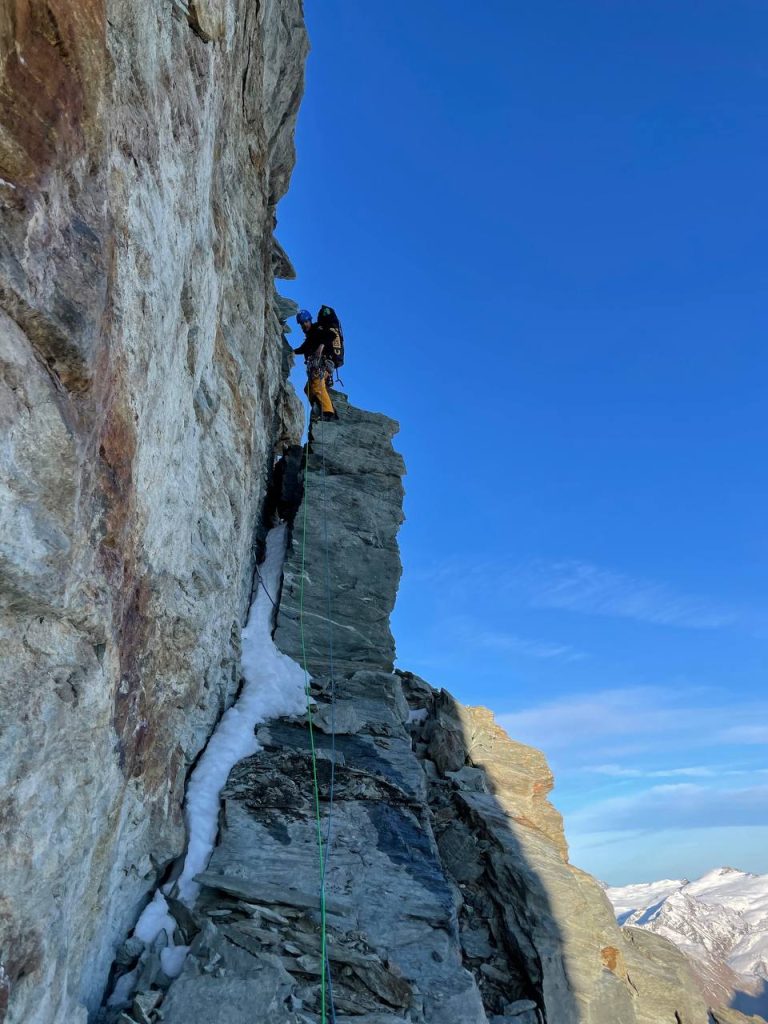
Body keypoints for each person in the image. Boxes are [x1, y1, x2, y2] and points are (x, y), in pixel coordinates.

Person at [293, 309, 338, 420]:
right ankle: (318, 406)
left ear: (310, 320)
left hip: (324, 363)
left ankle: (328, 413)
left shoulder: (317, 329)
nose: (304, 325)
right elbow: (303, 348)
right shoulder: (310, 336)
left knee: (317, 384)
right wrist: (292, 351)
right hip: (319, 365)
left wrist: (321, 346)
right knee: (307, 388)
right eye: (302, 323)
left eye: (305, 322)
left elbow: (332, 335)